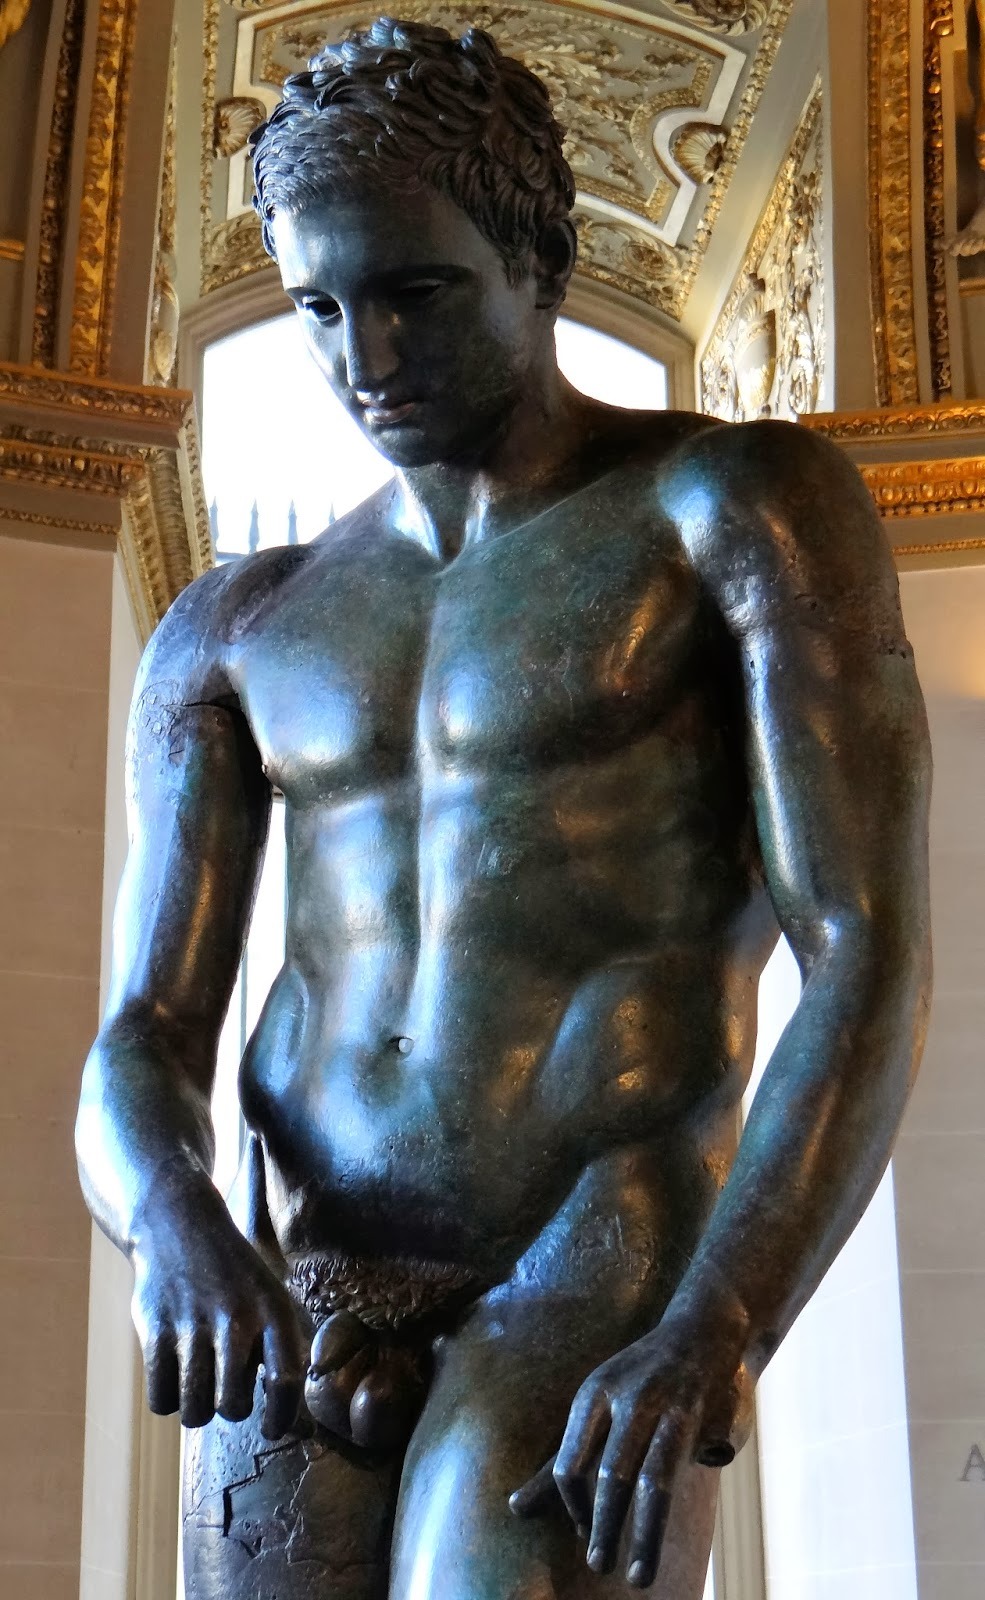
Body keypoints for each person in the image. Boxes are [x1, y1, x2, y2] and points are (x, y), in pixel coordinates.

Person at [76, 20, 931, 1598]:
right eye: (319, 307)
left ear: (539, 261)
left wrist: (723, 1319)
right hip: (310, 1261)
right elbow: (142, 1029)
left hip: (594, 1243)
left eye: (416, 293)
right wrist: (169, 1211)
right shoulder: (238, 624)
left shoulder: (726, 504)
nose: (366, 360)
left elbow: (862, 946)